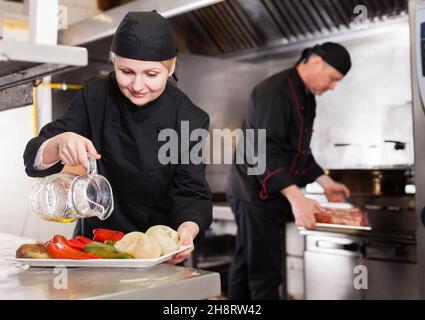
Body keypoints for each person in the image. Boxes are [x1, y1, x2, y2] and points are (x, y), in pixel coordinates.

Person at [23, 11, 212, 264]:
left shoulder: (189, 118)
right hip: (94, 246)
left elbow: (192, 193)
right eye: (126, 71)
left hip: (155, 253)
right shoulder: (95, 96)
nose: (137, 85)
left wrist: (186, 233)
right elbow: (32, 158)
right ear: (113, 62)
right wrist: (58, 143)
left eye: (151, 75)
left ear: (171, 67)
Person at [226, 42, 352, 299]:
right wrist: (298, 199)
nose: (333, 87)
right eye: (333, 79)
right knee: (266, 275)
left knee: (246, 264)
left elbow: (299, 151)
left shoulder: (307, 96)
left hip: (266, 196)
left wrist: (326, 182)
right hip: (255, 195)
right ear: (316, 62)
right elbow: (264, 153)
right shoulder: (275, 92)